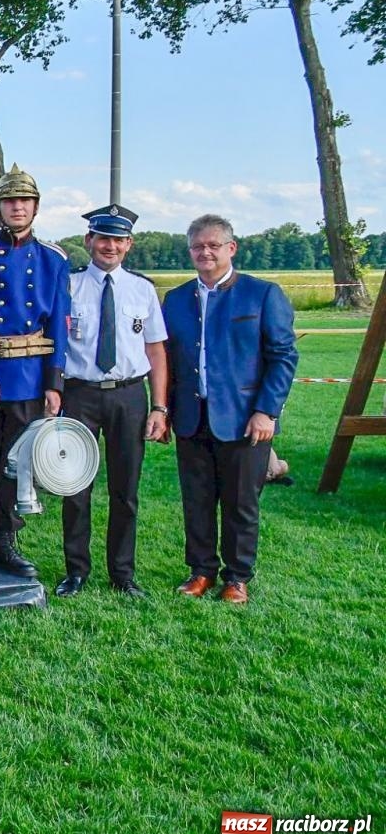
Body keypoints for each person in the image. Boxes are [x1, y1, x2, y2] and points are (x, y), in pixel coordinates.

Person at [163, 214, 297, 604]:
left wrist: (267, 411)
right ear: (189, 251)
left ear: (231, 248)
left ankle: (237, 577)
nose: (205, 252)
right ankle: (200, 571)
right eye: (197, 246)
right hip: (191, 416)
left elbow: (283, 356)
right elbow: (168, 359)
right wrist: (165, 409)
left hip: (245, 419)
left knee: (240, 503)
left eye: (213, 245)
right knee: (197, 499)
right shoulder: (176, 300)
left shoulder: (262, 294)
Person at [0, 163, 69, 579]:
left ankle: (8, 538)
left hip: (30, 375)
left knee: (17, 459)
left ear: (35, 207)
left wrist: (54, 382)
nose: (16, 208)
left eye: (24, 201)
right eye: (9, 201)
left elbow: (60, 322)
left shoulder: (53, 258)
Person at [55, 205, 169, 599]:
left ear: (129, 245)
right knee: (76, 486)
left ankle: (122, 572)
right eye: (102, 238)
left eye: (118, 240)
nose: (110, 246)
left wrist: (159, 406)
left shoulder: (143, 290)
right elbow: (56, 344)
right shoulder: (67, 286)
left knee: (126, 489)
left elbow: (155, 351)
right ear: (89, 241)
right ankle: (76, 570)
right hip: (81, 394)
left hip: (129, 395)